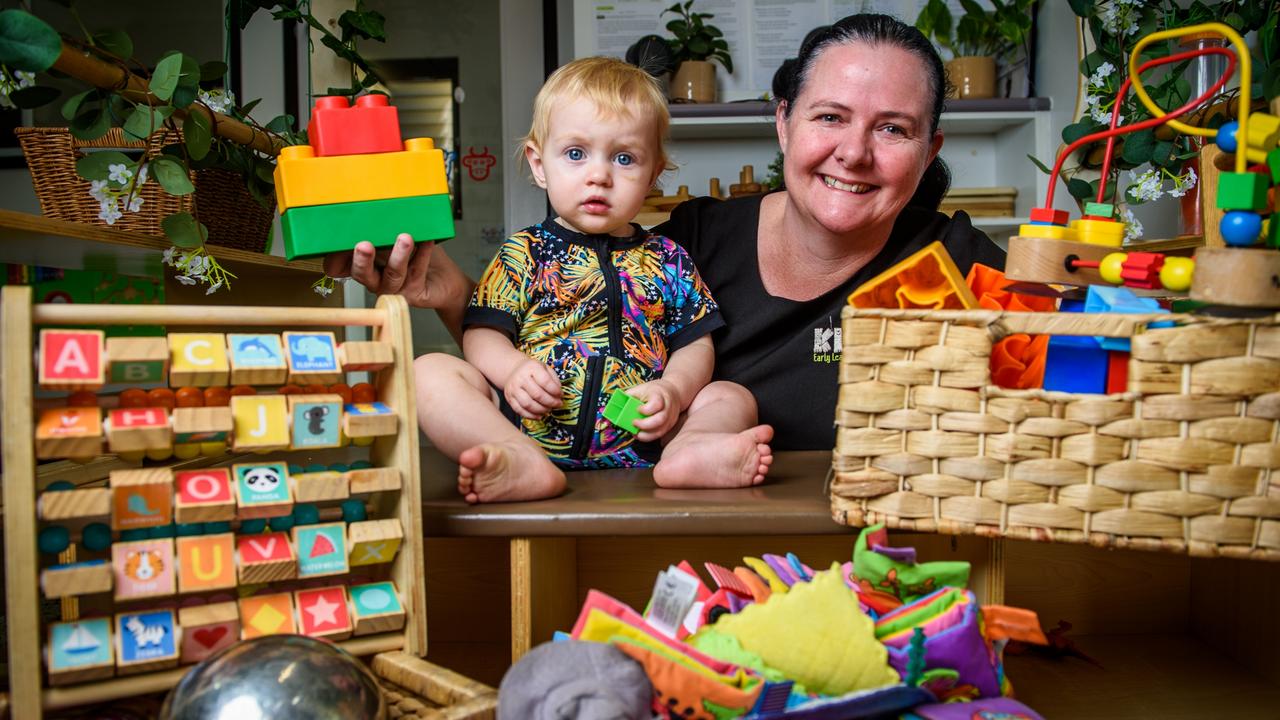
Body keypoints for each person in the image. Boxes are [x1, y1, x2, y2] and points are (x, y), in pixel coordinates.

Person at [324, 13, 1004, 460]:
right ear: (784, 124)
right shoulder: (692, 240)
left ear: (929, 148)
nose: (853, 153)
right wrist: (446, 291)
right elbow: (545, 329)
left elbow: (1072, 352)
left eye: (893, 128)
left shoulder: (957, 261)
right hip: (659, 526)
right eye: (830, 117)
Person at [409, 56, 774, 503]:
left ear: (652, 176)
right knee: (429, 371)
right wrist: (514, 371)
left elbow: (695, 344)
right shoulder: (523, 253)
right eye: (576, 154)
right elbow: (482, 334)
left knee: (730, 393)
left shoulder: (669, 258)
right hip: (529, 423)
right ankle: (513, 456)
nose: (599, 175)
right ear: (539, 164)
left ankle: (690, 449)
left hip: (646, 439)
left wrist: (674, 392)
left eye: (624, 158)